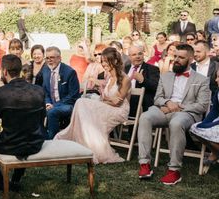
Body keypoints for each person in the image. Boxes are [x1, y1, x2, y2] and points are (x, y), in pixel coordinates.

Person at [137, 44, 211, 185]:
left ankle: (174, 170)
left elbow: (202, 105)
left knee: (176, 123)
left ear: (190, 59)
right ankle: (144, 164)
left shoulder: (201, 80)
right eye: (175, 56)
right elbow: (157, 98)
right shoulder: (165, 76)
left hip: (187, 113)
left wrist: (176, 107)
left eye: (181, 57)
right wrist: (168, 102)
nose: (176, 59)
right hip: (164, 108)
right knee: (145, 117)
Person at [0, 54, 45, 191]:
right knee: (25, 129)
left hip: (11, 144)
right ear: (19, 70)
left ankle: (0, 180)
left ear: (4, 71)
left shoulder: (0, 93)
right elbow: (42, 117)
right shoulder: (39, 90)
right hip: (35, 142)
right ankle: (16, 179)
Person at [55, 47, 130, 164]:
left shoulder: (125, 78)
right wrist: (106, 99)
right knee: (81, 102)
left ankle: (90, 146)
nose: (103, 64)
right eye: (103, 61)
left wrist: (106, 99)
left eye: (106, 61)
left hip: (119, 111)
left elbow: (117, 103)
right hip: (107, 107)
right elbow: (106, 99)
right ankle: (86, 143)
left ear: (115, 61)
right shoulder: (110, 78)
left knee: (83, 104)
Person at [41, 46, 81, 139]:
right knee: (35, 109)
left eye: (52, 57)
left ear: (59, 58)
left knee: (52, 112)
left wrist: (54, 105)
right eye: (47, 58)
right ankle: (41, 138)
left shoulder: (69, 72)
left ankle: (52, 140)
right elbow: (45, 90)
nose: (49, 60)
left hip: (68, 104)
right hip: (51, 104)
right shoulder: (46, 70)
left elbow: (73, 95)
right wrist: (47, 103)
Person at [126, 45, 160, 112]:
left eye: (140, 53)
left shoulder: (152, 69)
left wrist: (142, 80)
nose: (138, 56)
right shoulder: (125, 68)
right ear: (129, 57)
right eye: (134, 54)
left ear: (143, 55)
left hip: (141, 104)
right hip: (124, 100)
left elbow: (156, 87)